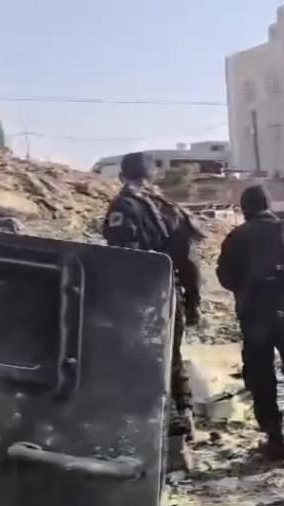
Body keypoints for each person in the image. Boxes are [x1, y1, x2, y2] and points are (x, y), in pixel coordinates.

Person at [102, 152, 203, 439]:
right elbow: (190, 262)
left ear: (122, 176)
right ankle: (183, 417)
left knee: (141, 361)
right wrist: (193, 302)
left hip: (138, 297)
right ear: (153, 175)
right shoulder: (170, 209)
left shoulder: (124, 206)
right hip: (170, 293)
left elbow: (119, 257)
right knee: (172, 357)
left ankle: (155, 428)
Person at [216, 186, 284, 460]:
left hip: (255, 316)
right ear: (269, 205)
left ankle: (276, 437)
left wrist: (248, 288)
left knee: (261, 375)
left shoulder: (236, 238)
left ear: (245, 209)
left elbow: (225, 277)